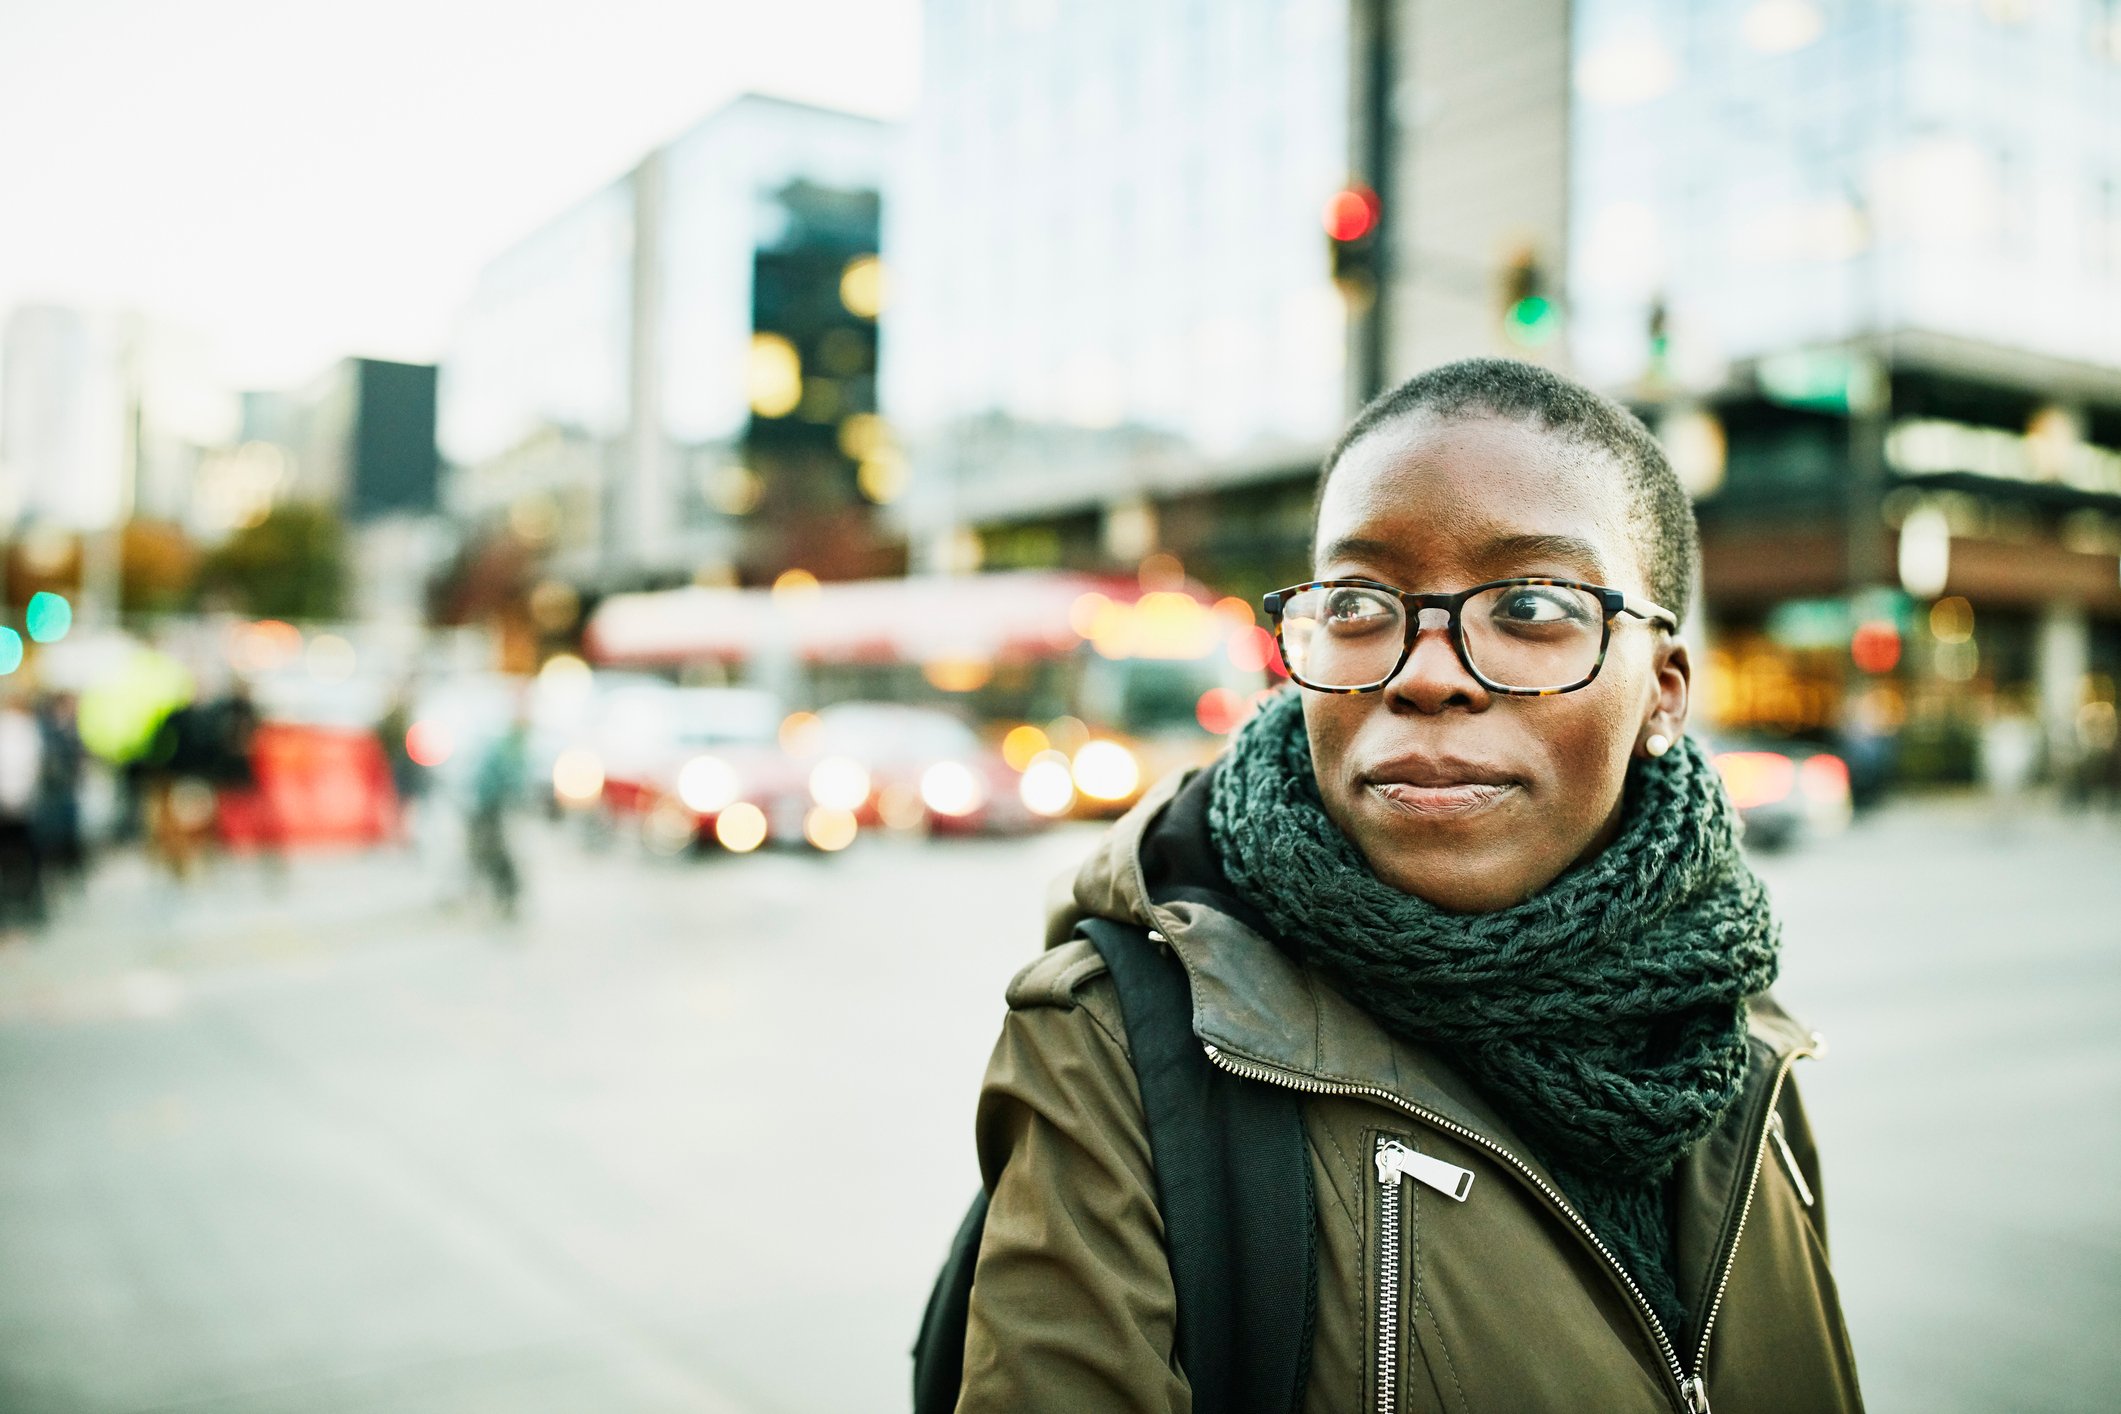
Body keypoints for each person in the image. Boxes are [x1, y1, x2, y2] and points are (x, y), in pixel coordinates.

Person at [952, 360, 1862, 1412]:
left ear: (1663, 692)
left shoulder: (1734, 1045)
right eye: (1358, 603)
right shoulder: (1116, 1046)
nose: (1425, 672)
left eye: (1528, 603)